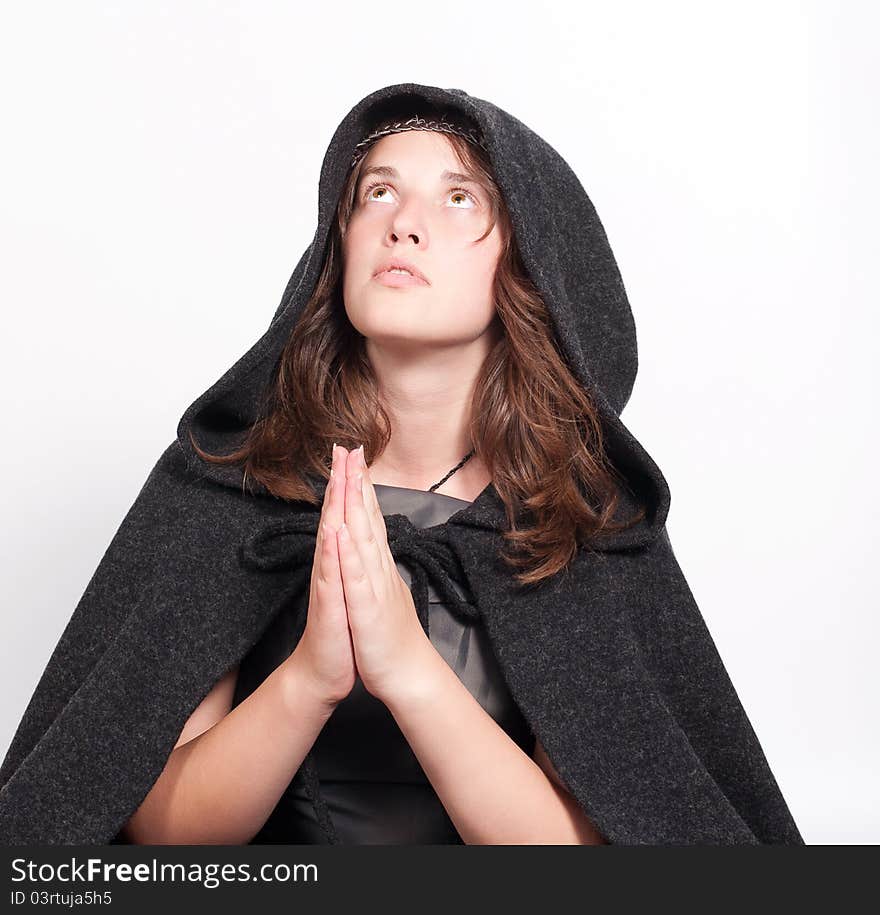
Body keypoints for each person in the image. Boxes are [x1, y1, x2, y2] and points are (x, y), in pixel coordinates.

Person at [0, 85, 805, 846]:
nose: (403, 224)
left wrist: (408, 669)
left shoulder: (582, 520)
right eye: (377, 192)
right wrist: (312, 676)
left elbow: (594, 844)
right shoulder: (231, 485)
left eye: (460, 199)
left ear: (526, 268)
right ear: (337, 240)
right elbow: (162, 832)